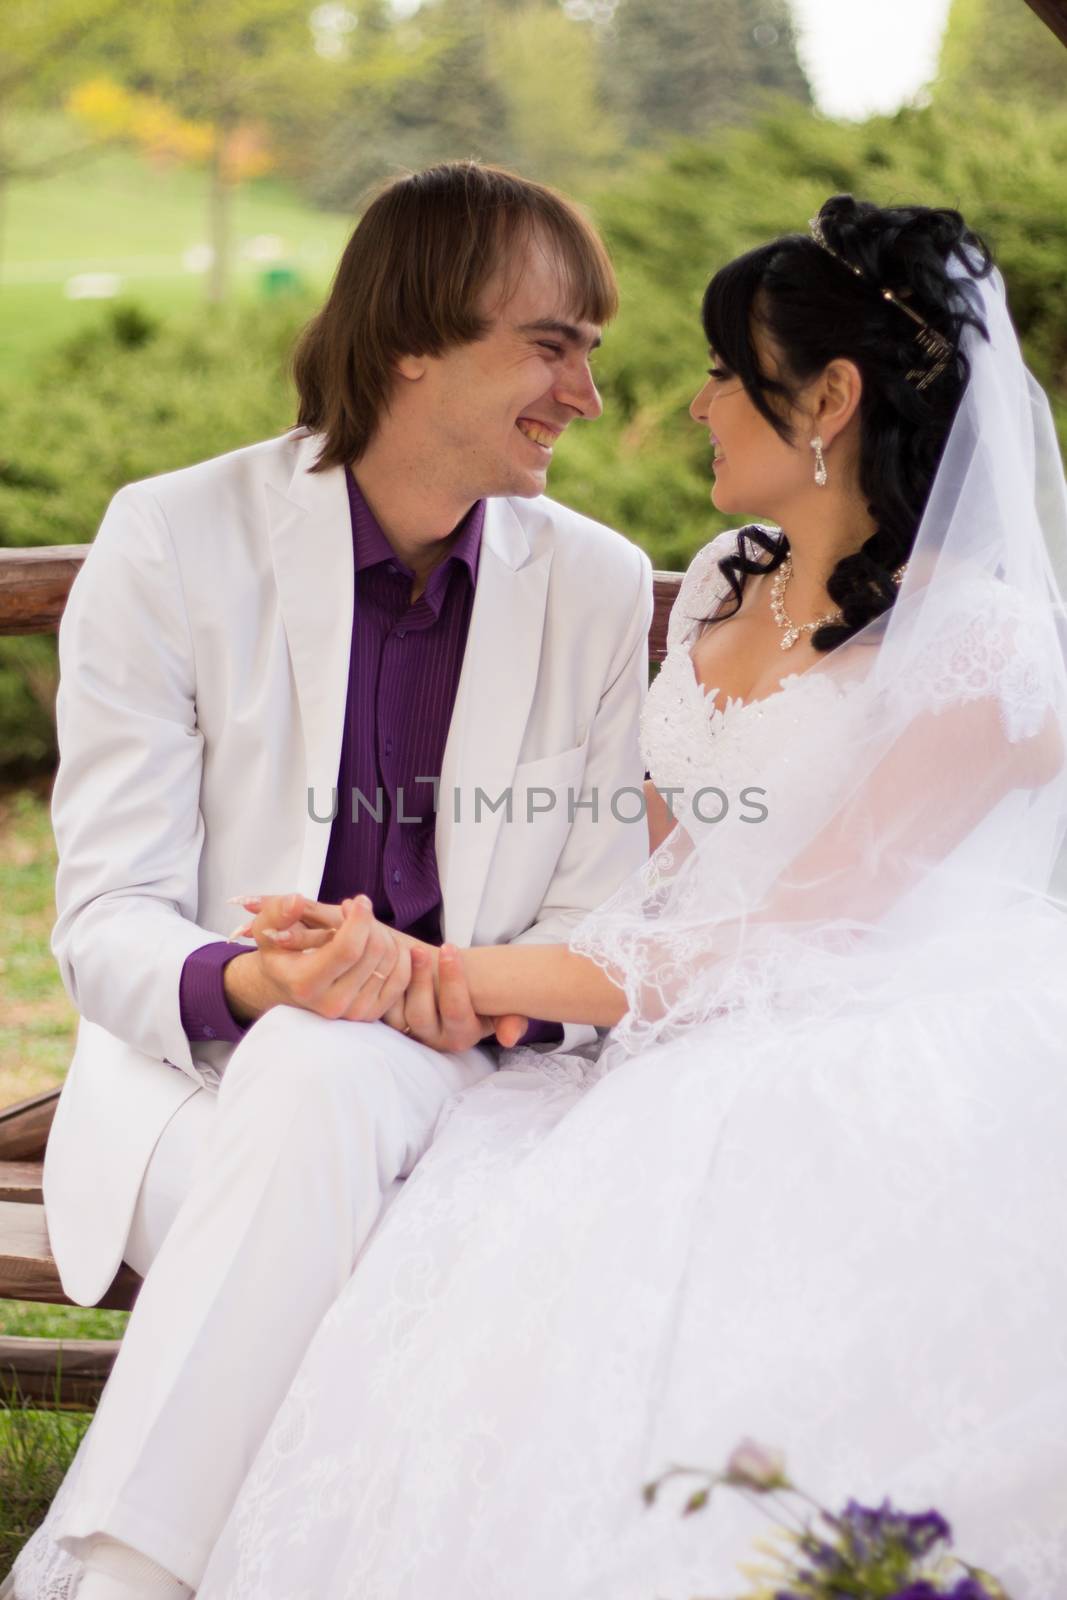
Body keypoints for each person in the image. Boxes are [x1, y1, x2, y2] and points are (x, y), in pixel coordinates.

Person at [190, 195, 1063, 1597]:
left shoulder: (986, 652)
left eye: (728, 369)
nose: (696, 402)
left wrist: (443, 973)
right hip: (669, 1016)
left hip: (841, 1034)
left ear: (829, 396)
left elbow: (788, 936)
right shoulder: (726, 582)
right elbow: (643, 875)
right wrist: (394, 958)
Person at [11, 164, 652, 1600]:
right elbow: (106, 915)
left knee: (333, 1076)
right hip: (203, 1097)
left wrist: (423, 991)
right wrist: (268, 978)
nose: (586, 397)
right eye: (553, 347)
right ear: (415, 334)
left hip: (475, 1099)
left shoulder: (598, 583)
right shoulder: (174, 537)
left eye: (591, 357)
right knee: (310, 1067)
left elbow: (599, 923)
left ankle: (115, 1575)